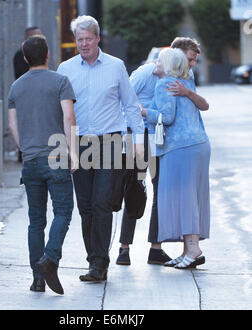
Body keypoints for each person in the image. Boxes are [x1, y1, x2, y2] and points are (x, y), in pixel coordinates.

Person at [57, 15, 145, 282]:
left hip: (110, 142)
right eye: (79, 39)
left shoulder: (116, 67)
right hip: (80, 144)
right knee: (85, 207)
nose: (83, 44)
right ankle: (93, 258)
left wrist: (139, 142)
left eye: (87, 39)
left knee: (102, 202)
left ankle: (99, 264)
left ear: (97, 38)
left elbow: (130, 105)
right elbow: (60, 110)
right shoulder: (66, 69)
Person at [116, 37, 209, 266]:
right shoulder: (146, 74)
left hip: (164, 143)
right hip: (139, 138)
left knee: (162, 195)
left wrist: (187, 93)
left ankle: (156, 248)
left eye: (194, 60)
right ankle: (124, 248)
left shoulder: (184, 77)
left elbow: (197, 107)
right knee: (135, 190)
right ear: (174, 56)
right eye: (189, 59)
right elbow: (123, 100)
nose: (192, 64)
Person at [8, 35, 78, 294]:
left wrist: (24, 148)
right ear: (48, 55)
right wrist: (73, 152)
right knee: (63, 212)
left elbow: (12, 125)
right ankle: (50, 258)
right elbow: (68, 116)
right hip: (56, 156)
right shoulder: (60, 81)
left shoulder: (16, 87)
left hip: (31, 160)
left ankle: (38, 279)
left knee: (35, 221)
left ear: (25, 59)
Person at [142, 47, 210, 269]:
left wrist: (142, 111)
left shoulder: (164, 84)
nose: (156, 64)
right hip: (198, 144)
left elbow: (167, 117)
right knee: (192, 196)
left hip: (179, 148)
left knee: (183, 198)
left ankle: (193, 249)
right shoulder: (186, 81)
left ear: (169, 65)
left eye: (159, 61)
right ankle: (187, 251)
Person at [13, 26, 42, 163]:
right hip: (26, 97)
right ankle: (23, 153)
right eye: (35, 37)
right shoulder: (20, 55)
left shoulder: (42, 54)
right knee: (25, 124)